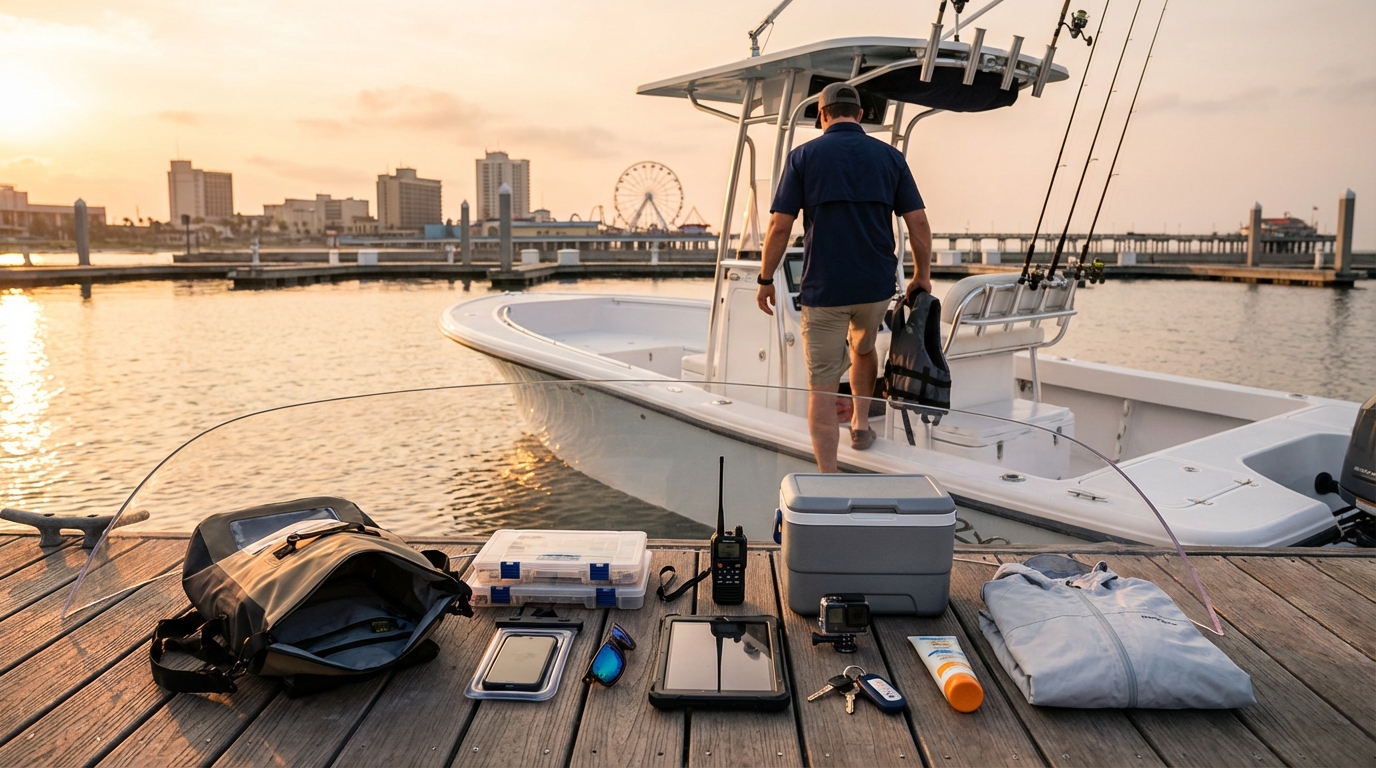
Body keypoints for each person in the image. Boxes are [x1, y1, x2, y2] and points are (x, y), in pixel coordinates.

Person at [756, 81, 933, 473]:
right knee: (864, 350)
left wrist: (766, 278)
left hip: (824, 289)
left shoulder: (803, 156)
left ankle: (828, 476)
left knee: (820, 385)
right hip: (875, 288)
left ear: (822, 115)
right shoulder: (891, 157)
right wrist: (922, 274)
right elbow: (918, 222)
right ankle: (858, 425)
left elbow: (780, 227)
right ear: (860, 114)